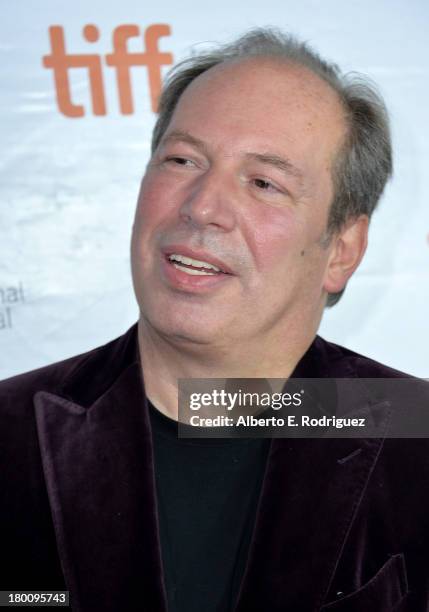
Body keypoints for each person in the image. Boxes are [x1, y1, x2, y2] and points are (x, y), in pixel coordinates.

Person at [1, 28, 428, 612]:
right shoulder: (10, 432)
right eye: (182, 160)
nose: (202, 206)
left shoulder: (416, 438)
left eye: (263, 183)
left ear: (342, 249)